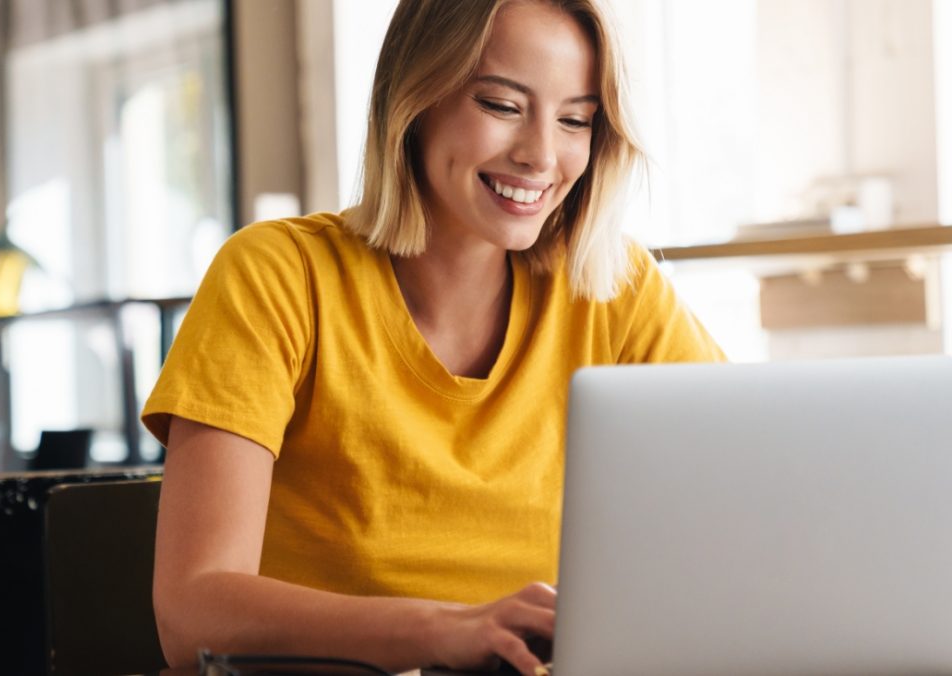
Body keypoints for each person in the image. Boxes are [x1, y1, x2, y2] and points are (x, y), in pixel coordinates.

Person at [142, 0, 725, 674]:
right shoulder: (279, 275)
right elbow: (191, 614)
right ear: (414, 100)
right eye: (502, 106)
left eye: (575, 120)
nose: (541, 155)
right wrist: (444, 630)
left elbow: (749, 496)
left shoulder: (615, 291)